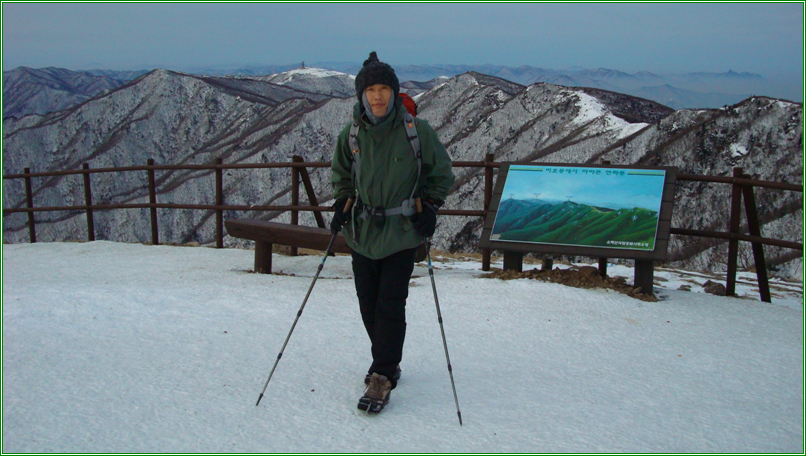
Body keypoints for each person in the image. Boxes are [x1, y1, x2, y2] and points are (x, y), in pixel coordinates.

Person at [330, 52, 455, 414]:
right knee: (368, 304)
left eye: (384, 88)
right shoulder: (352, 134)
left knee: (389, 305)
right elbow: (341, 174)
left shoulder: (416, 131)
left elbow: (441, 172)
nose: (378, 96)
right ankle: (388, 360)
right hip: (362, 232)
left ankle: (382, 375)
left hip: (402, 233)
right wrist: (342, 203)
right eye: (371, 89)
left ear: (394, 91)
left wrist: (430, 206)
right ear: (361, 95)